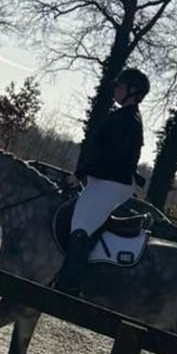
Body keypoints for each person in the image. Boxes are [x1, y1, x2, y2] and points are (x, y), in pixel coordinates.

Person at [55, 67, 150, 295]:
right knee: (77, 217)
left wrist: (80, 173)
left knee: (81, 226)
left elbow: (111, 156)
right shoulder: (122, 116)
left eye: (120, 86)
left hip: (113, 182)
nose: (115, 89)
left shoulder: (129, 120)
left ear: (132, 91)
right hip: (106, 179)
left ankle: (71, 285)